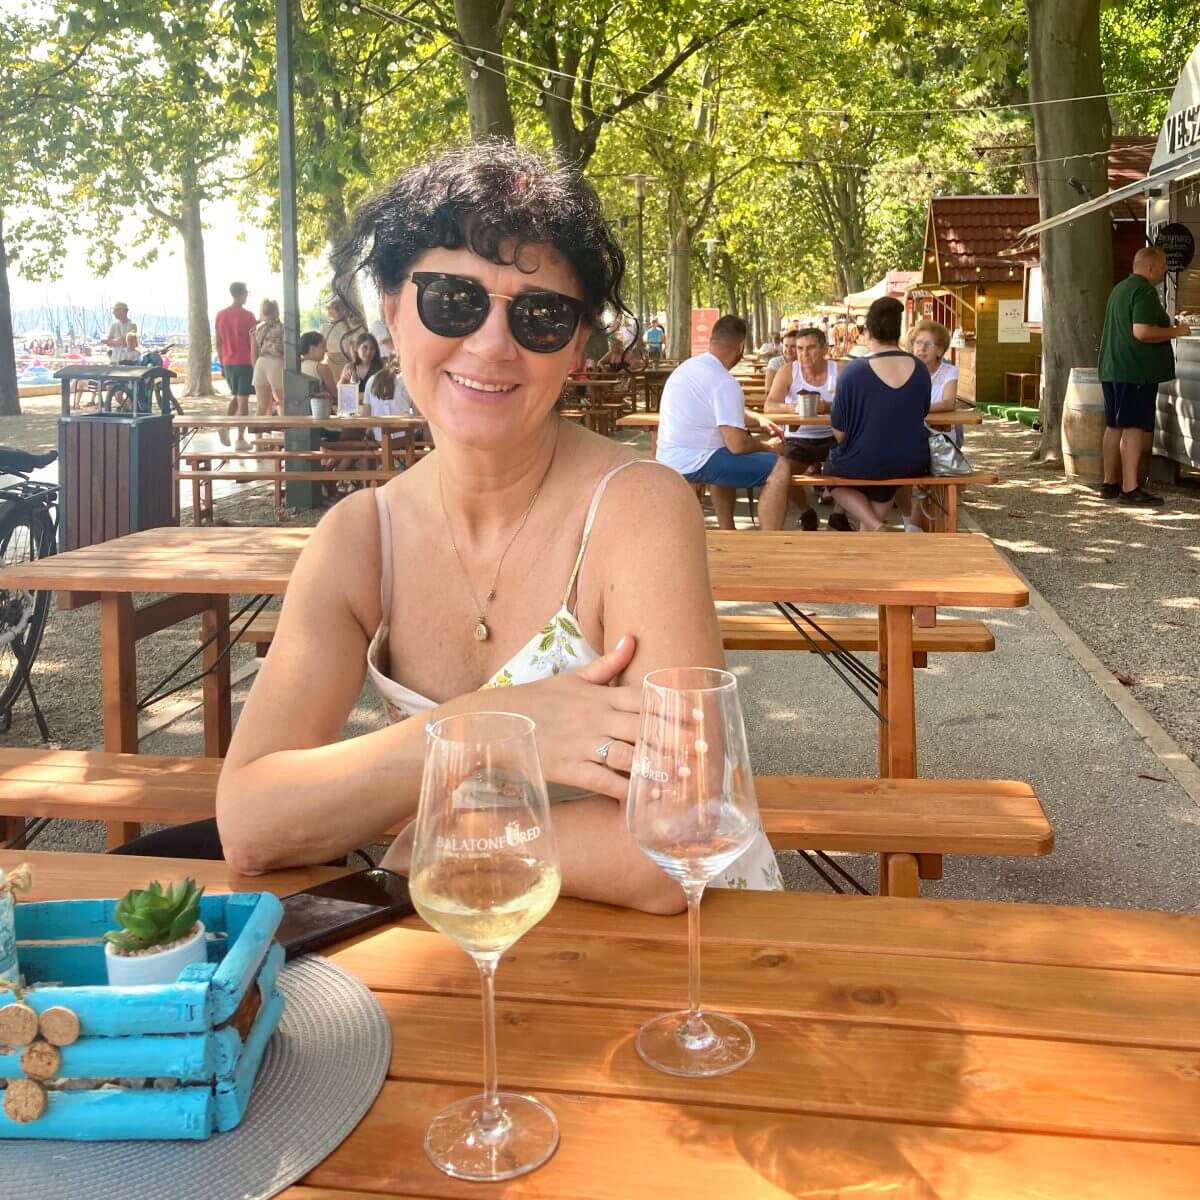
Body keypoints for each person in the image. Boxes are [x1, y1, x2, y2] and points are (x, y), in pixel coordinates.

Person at [203, 141, 782, 904]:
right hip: (455, 959)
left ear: (576, 345)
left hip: (670, 969)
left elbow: (675, 844)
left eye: (541, 316)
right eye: (453, 300)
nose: (491, 344)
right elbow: (251, 824)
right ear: (392, 312)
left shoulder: (638, 506)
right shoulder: (356, 538)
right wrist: (502, 725)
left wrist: (443, 835)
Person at [656, 314, 792, 531]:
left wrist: (759, 419)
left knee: (721, 453)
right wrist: (768, 447)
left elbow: (719, 410)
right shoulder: (724, 382)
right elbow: (737, 445)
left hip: (669, 455)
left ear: (712, 341)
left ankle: (727, 530)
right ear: (740, 347)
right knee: (780, 468)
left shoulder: (687, 368)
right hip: (695, 461)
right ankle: (771, 544)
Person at [824, 297, 930, 531]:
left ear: (868, 331)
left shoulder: (853, 371)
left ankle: (874, 525)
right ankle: (872, 528)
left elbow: (840, 434)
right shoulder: (921, 370)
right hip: (911, 460)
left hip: (866, 460)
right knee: (884, 475)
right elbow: (921, 414)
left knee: (830, 475)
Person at [1097, 245, 1191, 507]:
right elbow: (1142, 332)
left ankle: (1109, 483)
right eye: (1162, 266)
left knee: (1114, 426)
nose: (1165, 270)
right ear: (1150, 267)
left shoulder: (1120, 289)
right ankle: (1130, 488)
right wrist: (1177, 332)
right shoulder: (1144, 291)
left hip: (1112, 368)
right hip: (1135, 370)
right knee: (1134, 427)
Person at [765, 327, 838, 530]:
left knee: (857, 470)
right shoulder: (788, 371)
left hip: (834, 435)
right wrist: (795, 407)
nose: (804, 354)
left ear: (824, 349)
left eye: (810, 348)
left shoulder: (840, 370)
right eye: (800, 348)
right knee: (780, 474)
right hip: (799, 438)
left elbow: (857, 404)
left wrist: (829, 406)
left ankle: (838, 515)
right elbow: (769, 405)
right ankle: (806, 511)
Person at [214, 281, 257, 451]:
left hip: (228, 361)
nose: (246, 296)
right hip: (245, 361)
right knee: (243, 400)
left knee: (236, 396)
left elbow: (218, 342)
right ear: (240, 294)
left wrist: (221, 363)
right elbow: (254, 341)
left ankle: (224, 426)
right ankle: (240, 438)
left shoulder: (220, 315)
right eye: (246, 293)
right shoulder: (249, 316)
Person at [251, 299, 285, 418]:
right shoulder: (282, 328)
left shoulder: (256, 329)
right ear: (277, 311)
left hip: (261, 363)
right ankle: (286, 432)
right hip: (276, 362)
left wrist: (256, 368)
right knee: (282, 401)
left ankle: (258, 434)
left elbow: (253, 353)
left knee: (261, 405)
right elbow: (285, 350)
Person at [321, 299, 361, 378]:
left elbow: (355, 347)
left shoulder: (350, 326)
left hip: (344, 362)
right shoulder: (325, 327)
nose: (328, 311)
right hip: (333, 361)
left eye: (330, 308)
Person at [298, 330, 337, 395]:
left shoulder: (297, 366)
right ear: (312, 349)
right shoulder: (322, 368)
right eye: (323, 346)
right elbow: (335, 394)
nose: (326, 350)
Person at [763, 327, 798, 393]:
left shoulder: (805, 363)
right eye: (786, 346)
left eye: (793, 346)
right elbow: (768, 390)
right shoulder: (775, 362)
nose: (788, 350)